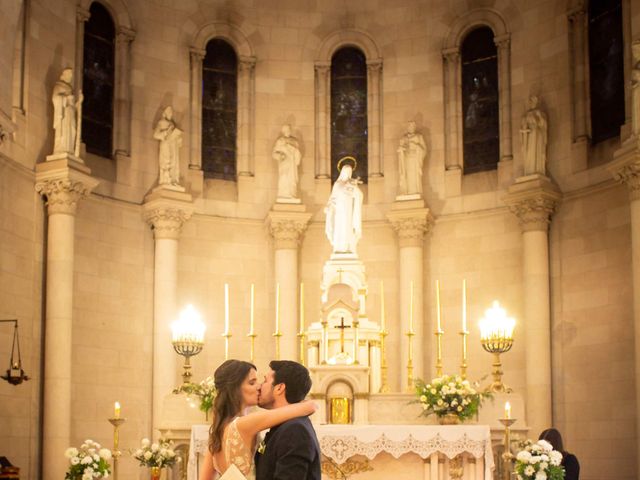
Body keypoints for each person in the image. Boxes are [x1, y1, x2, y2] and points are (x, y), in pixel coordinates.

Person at [198, 360, 317, 480]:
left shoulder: (218, 429)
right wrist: (310, 403)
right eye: (252, 383)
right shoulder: (244, 424)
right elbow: (308, 407)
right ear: (235, 389)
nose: (259, 386)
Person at [255, 360, 321, 480]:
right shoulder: (286, 424)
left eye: (265, 381)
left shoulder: (295, 430)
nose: (259, 386)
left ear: (279, 388)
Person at [324, 157, 363, 255]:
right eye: (346, 171)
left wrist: (355, 189)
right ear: (342, 172)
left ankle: (348, 247)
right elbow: (333, 199)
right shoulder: (337, 184)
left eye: (349, 172)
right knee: (339, 228)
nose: (348, 174)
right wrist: (329, 207)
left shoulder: (352, 184)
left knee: (348, 228)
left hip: (349, 211)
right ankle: (339, 247)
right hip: (339, 211)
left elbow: (359, 195)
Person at [52, 68, 83, 155]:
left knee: (72, 129)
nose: (71, 77)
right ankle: (61, 149)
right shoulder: (58, 86)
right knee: (64, 131)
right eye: (69, 75)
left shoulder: (70, 89)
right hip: (64, 113)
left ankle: (70, 150)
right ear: (64, 75)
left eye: (71, 76)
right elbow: (55, 98)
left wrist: (79, 102)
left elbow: (74, 106)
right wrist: (66, 98)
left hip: (71, 112)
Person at [154, 106, 183, 187]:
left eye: (171, 113)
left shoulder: (173, 124)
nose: (171, 114)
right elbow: (156, 135)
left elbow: (177, 137)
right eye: (169, 112)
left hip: (173, 145)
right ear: (165, 114)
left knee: (174, 162)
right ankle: (166, 180)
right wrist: (166, 132)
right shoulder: (161, 122)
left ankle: (173, 180)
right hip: (166, 144)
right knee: (166, 161)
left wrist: (179, 138)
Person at [520, 95, 548, 176]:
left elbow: (543, 125)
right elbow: (523, 126)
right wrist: (524, 129)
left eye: (532, 101)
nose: (531, 103)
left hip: (537, 134)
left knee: (536, 150)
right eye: (530, 101)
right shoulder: (526, 114)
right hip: (529, 136)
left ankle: (537, 168)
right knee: (529, 152)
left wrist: (539, 117)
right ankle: (529, 168)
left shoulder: (540, 113)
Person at [397, 121, 427, 196]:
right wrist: (401, 149)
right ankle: (406, 191)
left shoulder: (419, 137)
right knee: (406, 175)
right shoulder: (404, 138)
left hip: (415, 160)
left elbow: (424, 150)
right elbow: (401, 148)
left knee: (415, 178)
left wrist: (416, 145)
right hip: (406, 159)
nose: (411, 128)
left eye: (413, 126)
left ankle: (415, 192)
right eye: (410, 126)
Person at [272, 124, 302, 200]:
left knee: (292, 180)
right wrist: (280, 156)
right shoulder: (280, 140)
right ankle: (283, 195)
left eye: (289, 129)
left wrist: (296, 153)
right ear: (283, 131)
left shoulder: (294, 141)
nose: (288, 131)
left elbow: (298, 153)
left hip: (292, 164)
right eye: (286, 130)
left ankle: (292, 194)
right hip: (284, 164)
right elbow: (274, 153)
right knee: (284, 178)